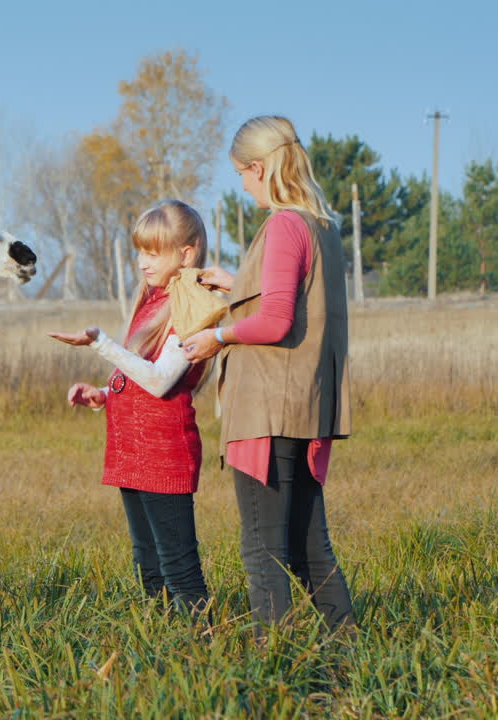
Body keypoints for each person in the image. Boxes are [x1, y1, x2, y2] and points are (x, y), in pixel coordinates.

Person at [181, 115, 356, 631]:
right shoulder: (321, 225)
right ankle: (348, 653)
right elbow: (297, 302)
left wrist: (215, 336)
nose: (240, 183)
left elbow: (276, 321)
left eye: (240, 172)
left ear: (259, 168)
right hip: (307, 403)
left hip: (268, 407)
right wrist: (237, 286)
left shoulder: (282, 224)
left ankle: (275, 665)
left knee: (263, 551)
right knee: (308, 546)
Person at [49, 200, 217, 614]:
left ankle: (203, 648)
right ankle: (166, 647)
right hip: (132, 449)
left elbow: (162, 381)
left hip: (164, 452)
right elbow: (143, 374)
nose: (142, 262)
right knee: (148, 562)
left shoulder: (191, 306)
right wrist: (105, 395)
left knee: (178, 567)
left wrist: (100, 344)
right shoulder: (153, 301)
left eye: (153, 252)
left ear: (186, 254)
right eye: (140, 251)